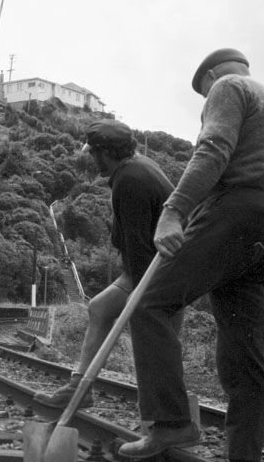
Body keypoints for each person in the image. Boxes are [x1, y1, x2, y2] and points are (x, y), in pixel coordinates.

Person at [118, 48, 264, 462]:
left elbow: (213, 148)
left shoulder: (228, 87)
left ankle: (171, 423)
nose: (206, 102)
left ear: (211, 76)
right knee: (243, 343)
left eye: (203, 95)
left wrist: (174, 210)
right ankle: (245, 457)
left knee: (149, 303)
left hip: (233, 212)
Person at [34, 119, 176, 407]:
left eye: (94, 153)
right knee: (99, 308)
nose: (92, 159)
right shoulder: (137, 167)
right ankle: (80, 388)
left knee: (154, 339)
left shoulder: (130, 180)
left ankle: (164, 414)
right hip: (153, 266)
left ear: (107, 152)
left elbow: (138, 244)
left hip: (159, 271)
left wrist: (143, 299)